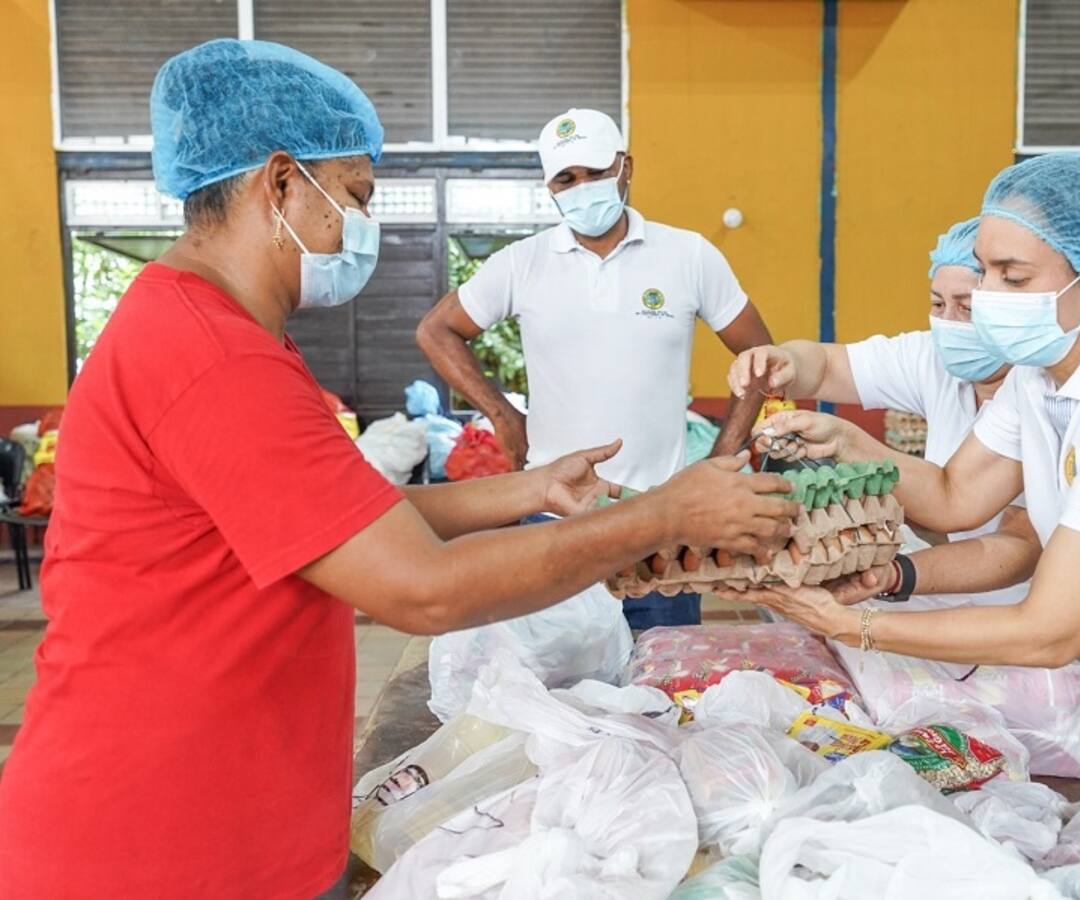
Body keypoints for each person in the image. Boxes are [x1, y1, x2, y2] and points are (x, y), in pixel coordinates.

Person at [0, 41, 798, 899]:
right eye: (355, 196)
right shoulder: (214, 356)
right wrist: (662, 516)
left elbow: (343, 512)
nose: (362, 226)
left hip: (218, 823)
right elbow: (422, 589)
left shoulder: (213, 332)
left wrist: (530, 488)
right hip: (158, 847)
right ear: (279, 185)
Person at [731, 151, 1080, 835]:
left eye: (1015, 277)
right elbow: (955, 494)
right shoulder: (1039, 381)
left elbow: (1051, 628)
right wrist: (848, 442)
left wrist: (853, 625)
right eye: (985, 272)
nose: (987, 299)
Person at [417, 107, 774, 628]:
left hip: (661, 516)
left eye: (595, 172)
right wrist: (502, 415)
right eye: (567, 178)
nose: (582, 187)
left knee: (662, 683)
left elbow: (759, 356)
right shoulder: (523, 263)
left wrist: (723, 453)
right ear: (550, 189)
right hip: (556, 515)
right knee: (557, 683)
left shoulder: (688, 256)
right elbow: (436, 330)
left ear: (625, 167)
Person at [727, 217, 1041, 607]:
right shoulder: (935, 359)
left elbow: (1016, 542)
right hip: (949, 591)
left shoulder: (1040, 387)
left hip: (1026, 611)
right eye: (937, 304)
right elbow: (827, 365)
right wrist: (786, 360)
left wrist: (895, 574)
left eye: (967, 307)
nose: (948, 324)